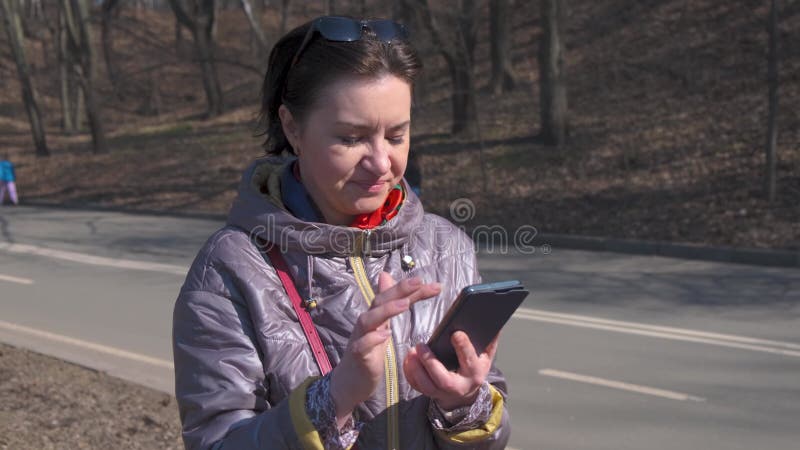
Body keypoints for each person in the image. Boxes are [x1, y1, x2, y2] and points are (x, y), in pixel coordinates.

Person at [173, 16, 511, 450]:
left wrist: (464, 403)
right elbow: (216, 441)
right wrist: (332, 399)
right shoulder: (230, 269)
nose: (381, 163)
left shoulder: (448, 247)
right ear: (292, 127)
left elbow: (491, 432)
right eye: (352, 139)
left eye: (397, 135)